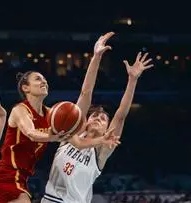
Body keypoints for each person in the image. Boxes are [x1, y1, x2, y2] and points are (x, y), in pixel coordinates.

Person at [0, 32, 120, 203]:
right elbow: (31, 133)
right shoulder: (21, 110)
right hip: (8, 175)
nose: (44, 82)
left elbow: (85, 96)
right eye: (38, 79)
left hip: (23, 179)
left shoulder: (52, 116)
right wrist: (54, 136)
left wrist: (96, 56)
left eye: (45, 79)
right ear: (25, 88)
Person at [41, 52, 154, 203]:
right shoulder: (72, 136)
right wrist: (96, 57)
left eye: (103, 119)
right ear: (85, 122)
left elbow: (120, 116)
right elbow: (85, 93)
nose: (98, 118)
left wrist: (132, 80)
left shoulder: (101, 150)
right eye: (94, 116)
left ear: (107, 129)